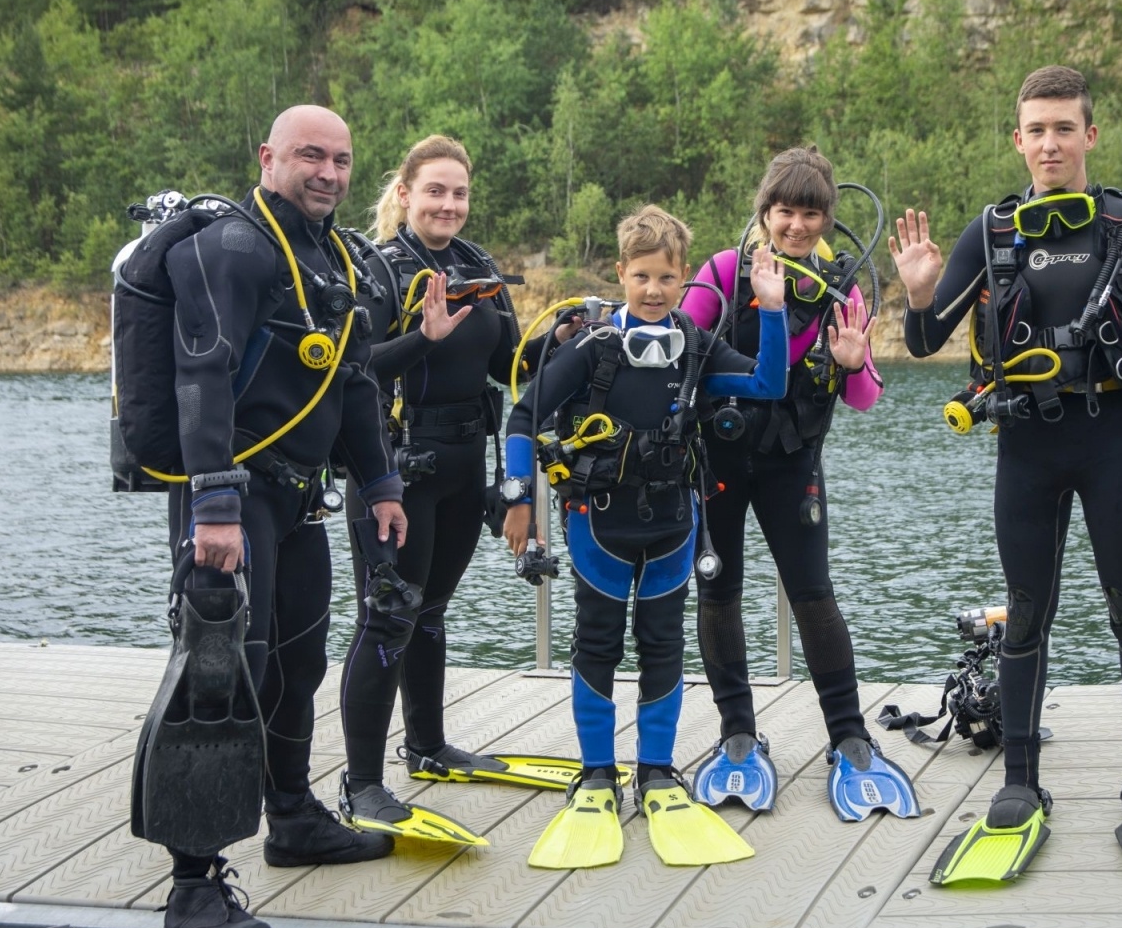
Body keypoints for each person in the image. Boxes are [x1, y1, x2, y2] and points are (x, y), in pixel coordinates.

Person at [894, 65, 1122, 884]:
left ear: (1089, 135)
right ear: (1018, 140)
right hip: (1028, 452)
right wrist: (917, 290)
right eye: (1035, 130)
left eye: (1063, 128)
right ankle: (1020, 784)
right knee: (1029, 615)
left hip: (1119, 443)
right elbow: (924, 340)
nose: (1049, 142)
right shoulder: (994, 229)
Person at [142, 105, 406, 928]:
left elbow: (355, 382)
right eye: (309, 157)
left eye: (342, 159)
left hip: (298, 499)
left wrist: (381, 480)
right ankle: (192, 886)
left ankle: (291, 818)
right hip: (231, 497)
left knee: (300, 662)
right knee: (221, 680)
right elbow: (202, 374)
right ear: (267, 157)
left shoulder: (331, 255)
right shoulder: (230, 247)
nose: (328, 172)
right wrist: (214, 504)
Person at [502, 205, 788, 868]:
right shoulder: (593, 349)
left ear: (683, 274)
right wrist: (519, 498)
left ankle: (657, 773)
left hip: (671, 526)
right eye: (640, 276)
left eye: (665, 276)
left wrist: (771, 308)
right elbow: (522, 417)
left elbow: (768, 383)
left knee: (662, 644)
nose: (653, 289)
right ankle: (598, 776)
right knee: (597, 643)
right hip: (598, 523)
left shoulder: (697, 346)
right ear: (621, 274)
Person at [336, 135, 573, 834]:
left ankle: (429, 747)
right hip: (398, 467)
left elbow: (509, 361)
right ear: (405, 194)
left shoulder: (477, 265)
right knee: (388, 616)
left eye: (459, 193)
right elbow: (357, 370)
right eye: (435, 191)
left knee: (431, 611)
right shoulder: (379, 271)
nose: (448, 204)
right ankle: (361, 783)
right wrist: (424, 340)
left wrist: (558, 341)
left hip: (466, 462)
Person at [678, 147, 921, 823]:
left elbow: (866, 398)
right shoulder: (725, 273)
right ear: (765, 210)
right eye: (786, 211)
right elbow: (681, 345)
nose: (797, 225)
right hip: (718, 463)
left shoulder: (839, 288)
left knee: (814, 595)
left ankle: (848, 735)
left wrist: (851, 363)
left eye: (811, 214)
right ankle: (737, 732)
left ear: (826, 218)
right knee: (718, 592)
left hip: (792, 465)